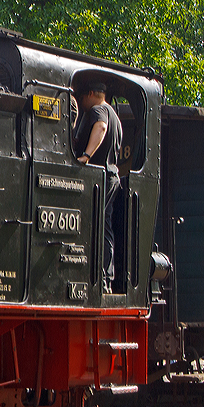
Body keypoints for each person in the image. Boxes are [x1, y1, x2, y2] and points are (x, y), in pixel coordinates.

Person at [73, 81, 124, 292]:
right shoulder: (116, 117)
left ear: (91, 93)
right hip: (111, 175)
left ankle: (98, 279)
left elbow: (101, 126)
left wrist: (86, 155)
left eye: (82, 98)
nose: (82, 104)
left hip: (99, 178)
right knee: (105, 228)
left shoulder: (99, 110)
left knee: (93, 226)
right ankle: (105, 279)